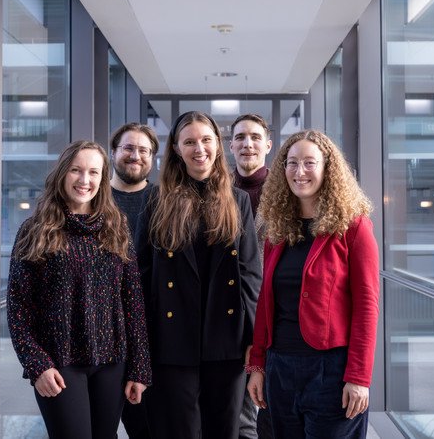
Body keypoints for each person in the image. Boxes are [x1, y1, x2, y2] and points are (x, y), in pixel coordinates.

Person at [7, 140, 152, 439]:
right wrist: (37, 365)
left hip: (112, 362)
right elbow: (18, 307)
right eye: (76, 170)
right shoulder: (34, 230)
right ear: (62, 173)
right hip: (59, 363)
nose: (85, 180)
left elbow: (133, 301)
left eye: (94, 172)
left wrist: (139, 368)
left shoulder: (116, 226)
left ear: (103, 178)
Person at [135, 111, 262, 439]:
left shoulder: (238, 200)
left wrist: (253, 339)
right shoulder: (156, 200)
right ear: (177, 149)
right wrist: (142, 342)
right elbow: (142, 273)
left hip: (227, 338)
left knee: (224, 430)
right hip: (172, 339)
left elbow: (250, 274)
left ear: (218, 146)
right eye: (189, 141)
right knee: (180, 430)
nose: (199, 148)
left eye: (206, 140)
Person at [246, 129, 379, 439]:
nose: (299, 171)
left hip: (331, 371)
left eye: (309, 162)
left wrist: (359, 377)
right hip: (280, 368)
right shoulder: (278, 228)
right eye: (292, 163)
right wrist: (258, 364)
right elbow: (266, 302)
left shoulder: (354, 226)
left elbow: (367, 307)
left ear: (327, 168)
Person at [109, 123, 159, 439]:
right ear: (113, 151)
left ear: (152, 158)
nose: (135, 155)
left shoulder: (164, 201)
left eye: (143, 150)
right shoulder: (93, 197)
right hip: (104, 330)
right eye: (128, 148)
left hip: (152, 335)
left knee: (147, 427)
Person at [228, 114, 273, 439]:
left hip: (278, 312)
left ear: (267, 145)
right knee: (237, 408)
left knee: (271, 406)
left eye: (255, 137)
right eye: (241, 137)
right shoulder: (218, 192)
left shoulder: (289, 190)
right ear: (231, 146)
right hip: (233, 314)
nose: (248, 143)